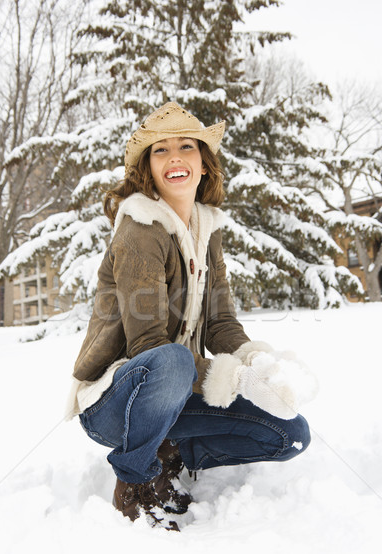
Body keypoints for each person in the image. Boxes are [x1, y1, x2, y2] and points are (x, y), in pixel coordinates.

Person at [66, 102, 311, 531]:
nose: (175, 157)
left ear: (203, 164)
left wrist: (258, 366)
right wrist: (232, 379)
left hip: (173, 392)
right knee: (173, 360)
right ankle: (136, 478)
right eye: (160, 150)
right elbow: (150, 348)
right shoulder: (140, 228)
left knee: (290, 433)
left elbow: (220, 323)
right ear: (148, 169)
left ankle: (170, 453)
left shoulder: (206, 228)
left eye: (186, 146)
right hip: (115, 400)